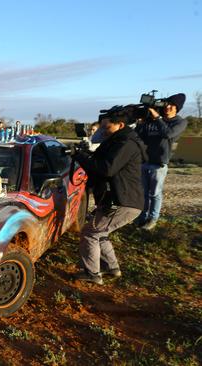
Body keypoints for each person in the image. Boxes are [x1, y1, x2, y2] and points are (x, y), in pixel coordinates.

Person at [72, 107, 147, 285]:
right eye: (102, 128)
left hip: (123, 201)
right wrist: (86, 153)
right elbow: (100, 161)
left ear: (120, 125)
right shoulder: (116, 140)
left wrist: (81, 156)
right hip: (119, 199)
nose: (103, 132)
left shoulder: (125, 143)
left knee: (90, 233)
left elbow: (106, 168)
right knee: (101, 232)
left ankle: (93, 274)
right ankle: (111, 268)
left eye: (106, 128)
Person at [135, 93, 188, 230]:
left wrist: (157, 118)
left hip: (159, 162)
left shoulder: (179, 122)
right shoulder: (152, 120)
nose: (167, 107)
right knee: (144, 192)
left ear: (177, 108)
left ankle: (153, 218)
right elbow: (139, 136)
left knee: (155, 193)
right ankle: (142, 216)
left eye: (171, 105)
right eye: (166, 104)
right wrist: (141, 123)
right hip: (145, 159)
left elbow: (168, 134)